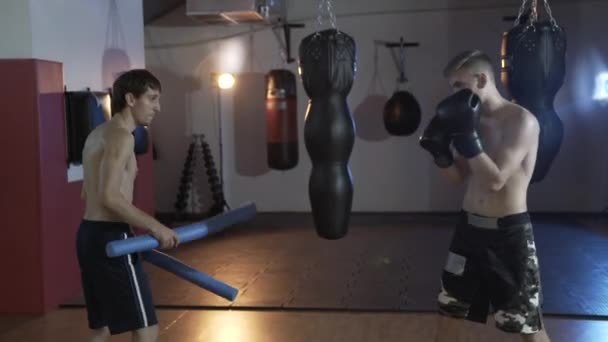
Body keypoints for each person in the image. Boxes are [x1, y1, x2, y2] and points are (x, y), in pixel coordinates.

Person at [420, 50, 551, 342]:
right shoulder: (471, 121)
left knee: (528, 327)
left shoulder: (521, 121)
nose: (453, 94)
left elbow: (496, 180)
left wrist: (466, 138)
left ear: (480, 79)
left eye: (458, 85)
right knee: (448, 316)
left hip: (509, 236)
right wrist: (439, 153)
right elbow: (457, 178)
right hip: (468, 233)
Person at [76, 69, 180, 342]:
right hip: (112, 237)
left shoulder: (97, 134)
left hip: (89, 235)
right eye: (152, 99)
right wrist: (157, 227)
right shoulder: (123, 137)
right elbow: (109, 197)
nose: (158, 107)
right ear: (131, 99)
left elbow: (88, 193)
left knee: (102, 328)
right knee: (146, 328)